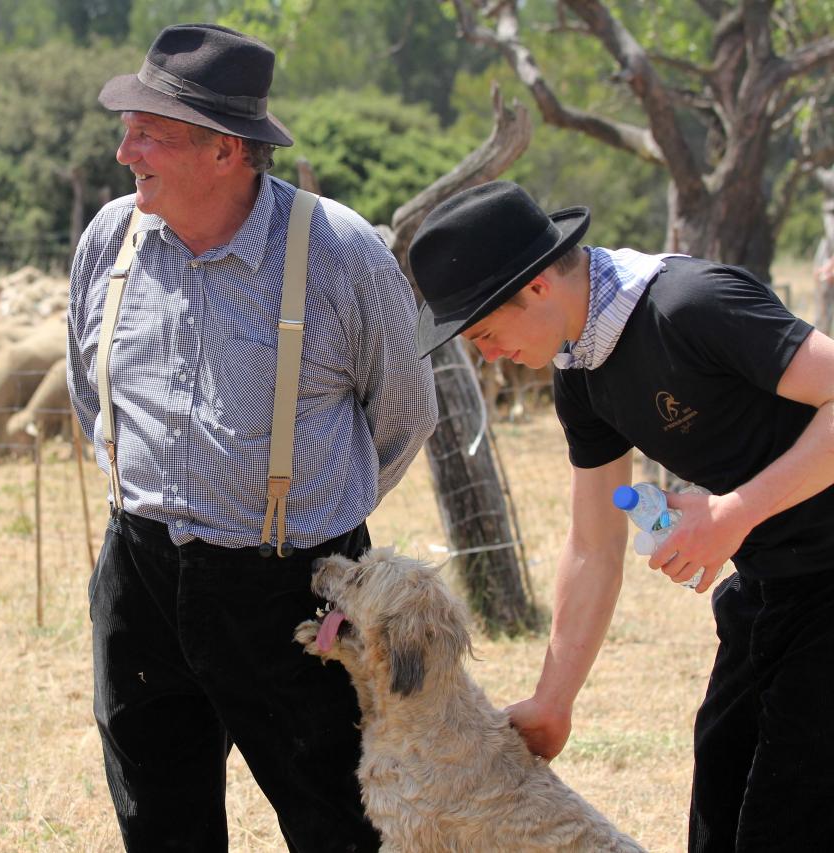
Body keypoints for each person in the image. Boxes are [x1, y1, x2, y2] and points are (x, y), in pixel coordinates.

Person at [66, 23, 437, 851]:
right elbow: (90, 393)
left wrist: (308, 514)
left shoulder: (341, 254)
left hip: (292, 591)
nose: (126, 152)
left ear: (228, 151)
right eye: (128, 129)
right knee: (158, 813)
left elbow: (404, 414)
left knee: (337, 818)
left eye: (150, 134)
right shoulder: (109, 240)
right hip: (141, 571)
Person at [408, 180, 834, 851]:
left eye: (487, 332)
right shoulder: (581, 372)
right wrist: (554, 700)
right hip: (773, 586)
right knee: (720, 791)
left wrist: (732, 513)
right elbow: (593, 543)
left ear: (540, 285)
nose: (488, 356)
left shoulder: (690, 305)